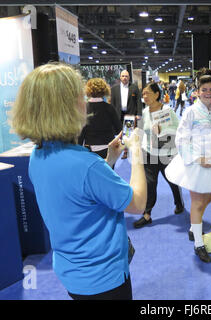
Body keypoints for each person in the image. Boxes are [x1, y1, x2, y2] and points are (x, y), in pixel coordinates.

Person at [11, 62, 147, 300]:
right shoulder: (85, 165)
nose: (84, 102)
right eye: (79, 96)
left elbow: (79, 192)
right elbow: (137, 204)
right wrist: (136, 154)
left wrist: (109, 160)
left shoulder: (39, 154)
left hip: (72, 271)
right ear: (66, 107)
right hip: (104, 277)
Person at [165, 68, 211, 263]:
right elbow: (181, 139)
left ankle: (194, 227)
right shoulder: (191, 112)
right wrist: (198, 159)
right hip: (195, 164)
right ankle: (199, 244)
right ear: (197, 91)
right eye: (204, 89)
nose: (208, 93)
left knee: (208, 197)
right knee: (198, 202)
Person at [133, 82, 184, 228]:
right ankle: (147, 214)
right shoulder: (144, 112)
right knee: (150, 183)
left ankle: (179, 203)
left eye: (147, 93)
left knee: (172, 181)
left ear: (157, 94)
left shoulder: (167, 110)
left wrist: (163, 130)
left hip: (166, 154)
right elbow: (142, 130)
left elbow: (177, 129)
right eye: (143, 94)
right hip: (149, 153)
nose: (144, 96)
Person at [78, 78, 122, 159]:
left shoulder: (84, 108)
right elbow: (119, 129)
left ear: (88, 90)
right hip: (109, 149)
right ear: (104, 90)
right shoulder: (109, 108)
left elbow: (81, 132)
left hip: (90, 149)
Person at [111, 69, 143, 159]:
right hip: (118, 114)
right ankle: (122, 149)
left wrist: (139, 113)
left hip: (130, 114)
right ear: (120, 77)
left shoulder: (134, 87)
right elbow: (112, 103)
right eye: (123, 76)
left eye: (126, 76)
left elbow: (138, 101)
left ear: (129, 77)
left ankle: (126, 151)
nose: (124, 78)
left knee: (128, 133)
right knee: (120, 134)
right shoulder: (114, 89)